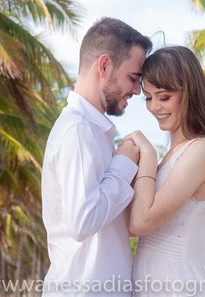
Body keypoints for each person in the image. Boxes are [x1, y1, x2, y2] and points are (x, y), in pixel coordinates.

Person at [42, 17, 153, 296]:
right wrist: (124, 164)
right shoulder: (78, 129)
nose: (138, 91)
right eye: (133, 78)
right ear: (104, 65)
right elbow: (83, 222)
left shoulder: (91, 131)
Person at [125, 46, 205, 297]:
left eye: (164, 97)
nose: (154, 107)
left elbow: (142, 221)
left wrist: (148, 157)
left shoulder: (200, 150)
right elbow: (131, 227)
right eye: (148, 97)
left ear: (190, 94)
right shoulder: (175, 155)